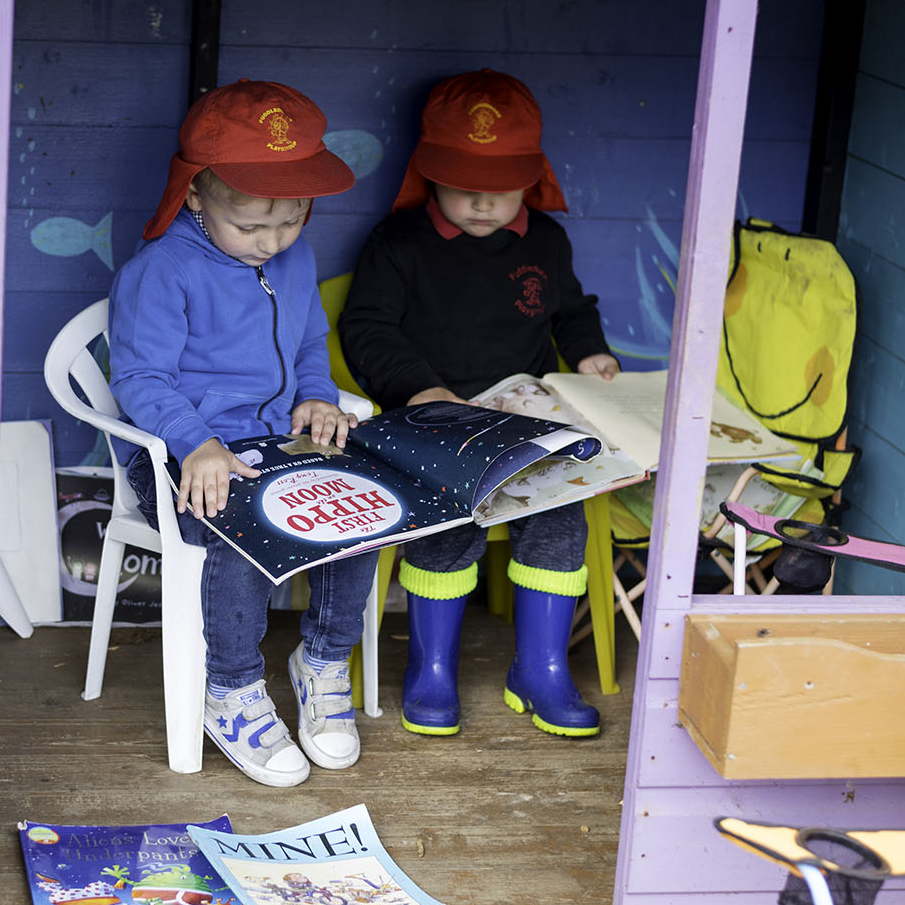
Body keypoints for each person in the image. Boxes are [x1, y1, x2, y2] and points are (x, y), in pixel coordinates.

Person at [108, 79, 377, 787]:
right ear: (196, 194)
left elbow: (311, 342)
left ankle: (321, 659)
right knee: (238, 517)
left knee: (360, 506)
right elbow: (138, 378)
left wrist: (317, 395)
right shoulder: (161, 270)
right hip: (182, 449)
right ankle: (229, 687)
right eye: (251, 226)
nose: (272, 241)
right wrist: (195, 442)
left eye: (290, 221)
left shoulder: (293, 258)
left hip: (275, 441)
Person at [339, 69, 620, 739]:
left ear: (529, 178)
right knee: (447, 524)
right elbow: (367, 327)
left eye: (499, 190)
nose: (483, 203)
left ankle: (541, 669)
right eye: (464, 188)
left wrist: (588, 352)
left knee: (558, 518)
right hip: (433, 420)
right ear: (429, 173)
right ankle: (431, 669)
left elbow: (570, 308)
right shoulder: (398, 243)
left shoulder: (544, 241)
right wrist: (422, 390)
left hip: (526, 419)